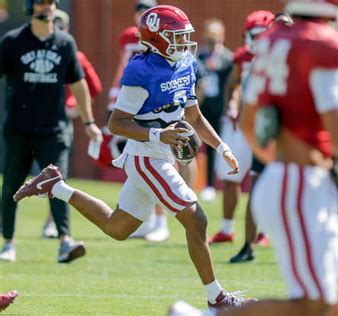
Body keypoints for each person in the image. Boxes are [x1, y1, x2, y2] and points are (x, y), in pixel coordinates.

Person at [13, 5, 251, 309]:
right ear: (157, 38)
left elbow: (193, 114)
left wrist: (221, 147)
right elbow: (117, 123)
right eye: (175, 37)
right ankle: (217, 298)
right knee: (196, 219)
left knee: (118, 227)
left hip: (161, 152)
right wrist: (158, 135)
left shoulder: (187, 63)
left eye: (183, 36)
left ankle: (56, 186)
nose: (184, 43)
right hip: (146, 155)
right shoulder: (142, 70)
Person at [170, 0, 338, 315]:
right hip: (301, 181)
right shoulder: (324, 42)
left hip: (293, 177)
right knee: (314, 303)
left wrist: (275, 160)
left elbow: (248, 121)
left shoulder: (270, 43)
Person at [0, 0, 102, 263]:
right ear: (29, 7)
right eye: (42, 3)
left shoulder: (65, 42)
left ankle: (65, 242)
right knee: (11, 184)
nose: (47, 7)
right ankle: (8, 242)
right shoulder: (13, 40)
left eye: (51, 3)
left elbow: (78, 84)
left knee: (58, 185)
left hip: (53, 129)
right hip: (18, 128)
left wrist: (89, 123)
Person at [230, 12, 294, 263]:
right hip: (269, 132)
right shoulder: (261, 61)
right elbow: (250, 100)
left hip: (297, 135)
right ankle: (248, 244)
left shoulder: (304, 52)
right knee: (257, 190)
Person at [106, 0, 172, 242]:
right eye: (139, 8)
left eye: (147, 8)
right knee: (136, 161)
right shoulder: (128, 37)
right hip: (131, 103)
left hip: (155, 105)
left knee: (158, 161)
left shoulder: (165, 38)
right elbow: (123, 69)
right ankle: (147, 221)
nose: (142, 13)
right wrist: (113, 99)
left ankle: (161, 220)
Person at [209, 10, 275, 244]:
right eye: (253, 35)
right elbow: (233, 84)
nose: (256, 40)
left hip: (266, 126)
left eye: (261, 34)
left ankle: (263, 230)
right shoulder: (243, 56)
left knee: (265, 182)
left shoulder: (280, 55)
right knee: (231, 176)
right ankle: (227, 229)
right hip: (242, 123)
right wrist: (233, 107)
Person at [42, 8, 103, 239]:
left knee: (56, 169)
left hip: (60, 120)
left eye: (59, 26)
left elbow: (93, 86)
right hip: (36, 118)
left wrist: (75, 108)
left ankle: (52, 222)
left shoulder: (74, 55)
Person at [197, 19, 234, 202]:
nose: (212, 39)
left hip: (218, 109)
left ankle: (210, 185)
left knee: (214, 146)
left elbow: (231, 85)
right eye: (209, 35)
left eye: (215, 35)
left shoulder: (228, 58)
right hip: (199, 107)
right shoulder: (199, 57)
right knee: (193, 143)